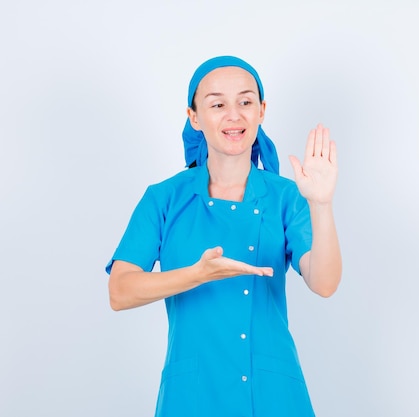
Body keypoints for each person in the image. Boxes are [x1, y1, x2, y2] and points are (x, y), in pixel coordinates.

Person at [105, 55, 342, 417]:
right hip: (192, 395)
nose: (234, 115)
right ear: (194, 117)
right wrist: (198, 274)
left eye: (245, 101)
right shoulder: (164, 198)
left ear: (261, 111)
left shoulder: (286, 196)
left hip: (273, 393)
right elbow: (120, 291)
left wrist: (322, 205)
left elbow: (324, 283)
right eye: (217, 104)